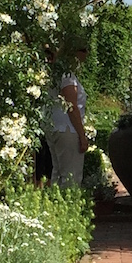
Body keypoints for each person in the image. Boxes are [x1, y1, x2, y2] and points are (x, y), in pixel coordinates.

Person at [43, 43, 90, 188]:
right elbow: (71, 107)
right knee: (71, 176)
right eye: (84, 50)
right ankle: (69, 207)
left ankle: (56, 207)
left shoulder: (52, 73)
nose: (86, 55)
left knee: (58, 173)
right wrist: (82, 136)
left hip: (53, 126)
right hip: (67, 130)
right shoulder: (66, 76)